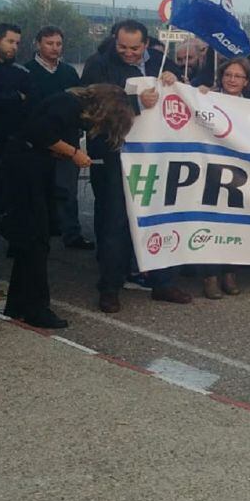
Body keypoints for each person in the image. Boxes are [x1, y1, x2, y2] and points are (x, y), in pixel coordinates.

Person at [0, 85, 135, 328]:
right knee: (37, 240)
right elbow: (39, 132)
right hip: (26, 168)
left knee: (34, 241)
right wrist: (73, 152)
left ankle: (19, 303)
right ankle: (36, 308)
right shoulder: (68, 105)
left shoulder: (66, 102)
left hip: (31, 166)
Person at [80, 19, 191, 313]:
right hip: (116, 155)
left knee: (160, 216)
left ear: (145, 44)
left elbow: (181, 94)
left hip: (157, 155)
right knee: (115, 222)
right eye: (122, 47)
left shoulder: (157, 59)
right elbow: (93, 108)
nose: (128, 53)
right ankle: (110, 287)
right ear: (114, 40)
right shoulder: (98, 65)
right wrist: (136, 103)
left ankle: (162, 281)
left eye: (134, 48)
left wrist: (173, 77)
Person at [25, 25, 94, 250]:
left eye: (58, 44)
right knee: (37, 190)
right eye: (49, 43)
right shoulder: (26, 71)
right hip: (37, 143)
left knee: (67, 191)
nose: (55, 48)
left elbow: (79, 106)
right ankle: (36, 236)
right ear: (38, 44)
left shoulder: (69, 72)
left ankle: (71, 234)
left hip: (68, 141)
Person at [194, 58, 250, 298]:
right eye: (228, 74)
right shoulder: (207, 98)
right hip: (211, 169)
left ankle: (230, 273)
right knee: (211, 222)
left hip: (240, 172)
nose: (232, 79)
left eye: (238, 76)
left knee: (236, 223)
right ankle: (210, 275)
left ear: (246, 81)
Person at [0, 23, 32, 228]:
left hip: (12, 142)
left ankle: (16, 243)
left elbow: (27, 101)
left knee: (12, 193)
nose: (14, 47)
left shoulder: (21, 72)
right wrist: (14, 97)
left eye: (17, 43)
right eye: (10, 41)